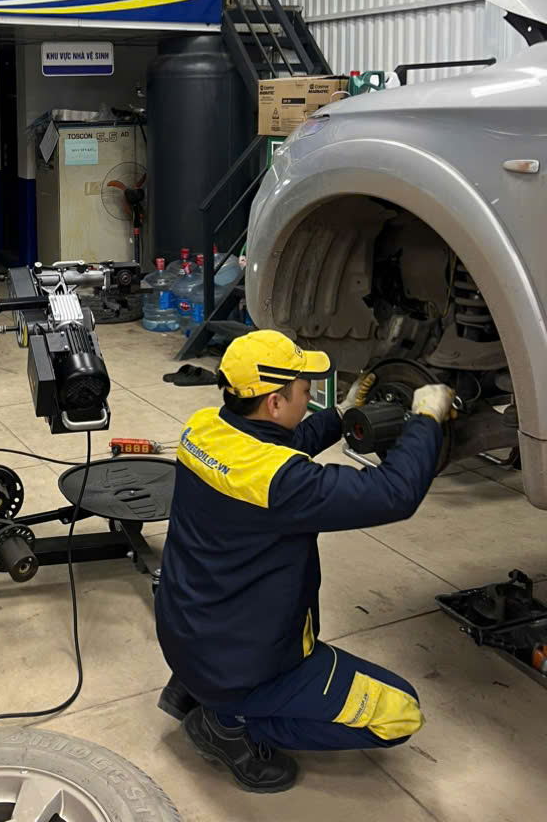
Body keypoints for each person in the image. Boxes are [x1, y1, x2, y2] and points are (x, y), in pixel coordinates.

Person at [154, 328, 455, 794]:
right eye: (303, 389)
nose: (310, 395)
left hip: (185, 634)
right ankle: (229, 725)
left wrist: (338, 415)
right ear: (275, 402)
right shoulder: (284, 485)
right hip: (246, 667)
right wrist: (426, 420)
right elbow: (394, 493)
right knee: (401, 714)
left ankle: (194, 688)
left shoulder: (202, 429)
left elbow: (272, 453)